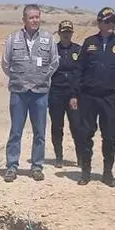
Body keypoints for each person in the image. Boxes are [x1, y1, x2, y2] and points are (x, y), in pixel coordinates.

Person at [72, 7, 115, 186]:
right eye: (107, 21)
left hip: (109, 97)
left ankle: (107, 172)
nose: (111, 25)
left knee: (110, 135)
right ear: (99, 23)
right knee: (85, 134)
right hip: (89, 96)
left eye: (113, 21)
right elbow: (79, 69)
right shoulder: (89, 42)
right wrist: (74, 94)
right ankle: (86, 172)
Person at [0, 4, 60, 182]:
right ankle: (11, 166)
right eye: (31, 17)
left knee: (39, 132)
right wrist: (18, 78)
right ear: (24, 20)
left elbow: (54, 62)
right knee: (16, 131)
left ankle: (36, 166)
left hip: (40, 93)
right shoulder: (13, 38)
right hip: (19, 92)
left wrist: (42, 78)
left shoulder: (48, 39)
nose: (35, 20)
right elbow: (5, 63)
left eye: (37, 17)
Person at [48, 20, 83, 167]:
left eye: (69, 32)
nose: (66, 35)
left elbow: (82, 72)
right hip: (56, 92)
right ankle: (59, 157)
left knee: (76, 126)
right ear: (59, 33)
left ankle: (81, 157)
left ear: (72, 33)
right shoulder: (53, 50)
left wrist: (77, 93)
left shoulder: (79, 50)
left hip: (74, 95)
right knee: (57, 126)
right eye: (64, 32)